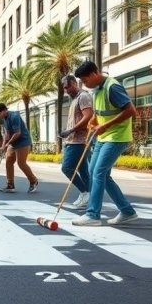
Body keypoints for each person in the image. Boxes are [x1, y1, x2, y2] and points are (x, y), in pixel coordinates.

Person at [72, 61, 138, 226]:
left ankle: (93, 215)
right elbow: (99, 112)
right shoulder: (96, 90)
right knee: (96, 172)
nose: (84, 84)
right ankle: (127, 211)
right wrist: (93, 123)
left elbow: (131, 111)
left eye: (85, 80)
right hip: (103, 137)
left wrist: (105, 125)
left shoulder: (112, 87)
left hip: (117, 137)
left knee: (98, 173)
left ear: (94, 74)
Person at [60, 74, 94, 208]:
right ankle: (89, 196)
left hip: (78, 141)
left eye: (68, 87)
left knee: (67, 168)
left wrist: (71, 130)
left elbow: (88, 116)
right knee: (83, 170)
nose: (66, 90)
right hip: (74, 140)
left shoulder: (83, 96)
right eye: (64, 88)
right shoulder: (75, 99)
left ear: (75, 82)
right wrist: (67, 131)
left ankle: (85, 192)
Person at [0, 103, 38, 193]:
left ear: (3, 111)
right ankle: (10, 185)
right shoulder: (4, 119)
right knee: (8, 161)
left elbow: (18, 133)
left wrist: (8, 143)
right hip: (13, 144)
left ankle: (33, 181)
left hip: (23, 142)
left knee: (21, 163)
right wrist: (3, 145)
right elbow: (7, 133)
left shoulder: (14, 117)